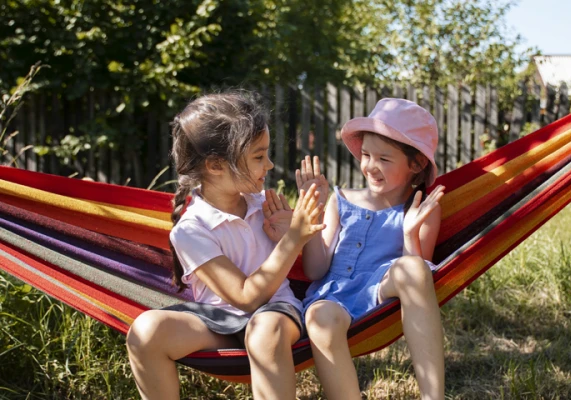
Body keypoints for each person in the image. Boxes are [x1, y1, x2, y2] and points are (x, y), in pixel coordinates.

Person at [126, 91, 326, 400]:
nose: (270, 165)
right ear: (216, 165)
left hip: (276, 313)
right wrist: (292, 240)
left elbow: (308, 270)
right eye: (259, 157)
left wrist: (298, 234)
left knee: (264, 331)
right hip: (218, 323)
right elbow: (245, 297)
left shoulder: (267, 206)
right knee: (146, 330)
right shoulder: (191, 230)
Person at [296, 98, 446, 400]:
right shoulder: (341, 199)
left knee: (415, 267)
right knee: (319, 318)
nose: (370, 166)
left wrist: (409, 233)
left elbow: (417, 282)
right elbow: (315, 270)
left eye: (384, 159)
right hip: (332, 296)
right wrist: (313, 214)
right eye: (365, 155)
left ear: (415, 164)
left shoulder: (419, 209)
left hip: (380, 290)